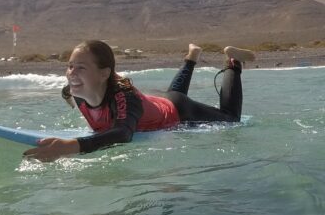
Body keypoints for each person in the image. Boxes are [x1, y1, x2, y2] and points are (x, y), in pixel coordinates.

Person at [23, 40, 255, 162]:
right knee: (172, 94)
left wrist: (71, 146)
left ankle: (233, 62)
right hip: (156, 103)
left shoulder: (124, 97)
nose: (71, 73)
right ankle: (191, 57)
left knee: (231, 119)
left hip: (178, 111)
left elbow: (124, 134)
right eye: (70, 66)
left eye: (81, 67)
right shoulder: (74, 91)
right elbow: (69, 93)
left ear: (105, 73)